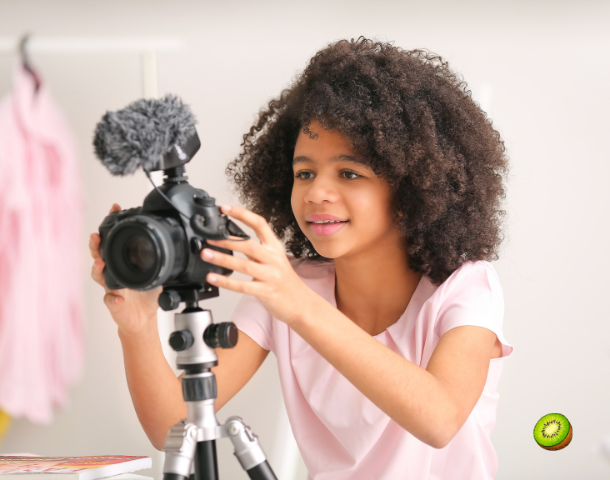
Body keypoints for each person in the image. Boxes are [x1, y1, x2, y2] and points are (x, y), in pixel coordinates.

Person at [89, 37, 514, 479]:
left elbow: (440, 419)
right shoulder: (289, 286)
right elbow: (171, 426)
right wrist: (136, 323)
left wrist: (295, 303)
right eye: (304, 172)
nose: (316, 193)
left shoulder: (464, 287)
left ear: (410, 191)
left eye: (349, 173)